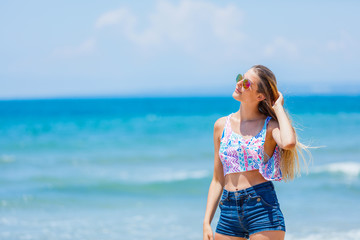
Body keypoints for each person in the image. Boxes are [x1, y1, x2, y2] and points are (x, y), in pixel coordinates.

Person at [203, 65, 312, 240]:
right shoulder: (221, 126)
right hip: (228, 210)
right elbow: (217, 179)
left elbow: (289, 143)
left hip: (262, 208)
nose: (239, 83)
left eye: (246, 83)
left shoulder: (269, 126)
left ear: (260, 96)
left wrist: (278, 108)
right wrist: (207, 221)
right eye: (240, 78)